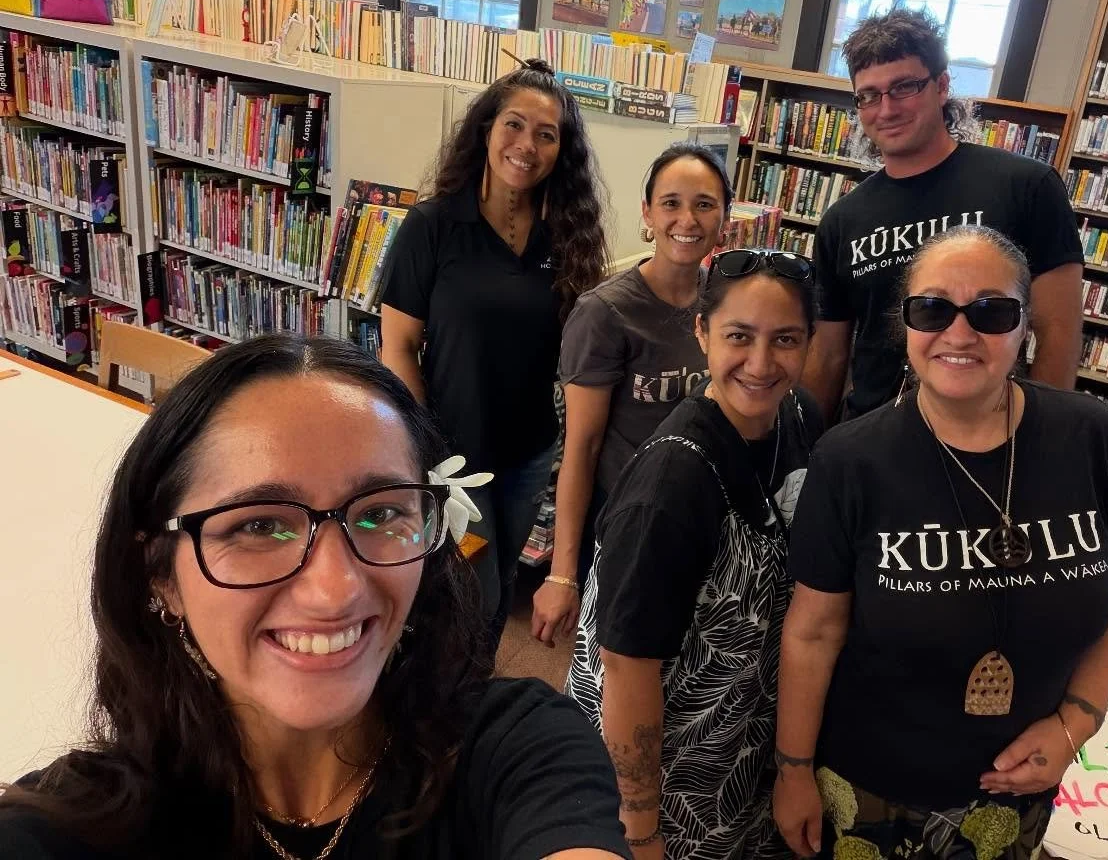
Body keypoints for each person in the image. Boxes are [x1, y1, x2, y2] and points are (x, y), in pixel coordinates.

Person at [0, 335, 629, 860]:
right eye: (258, 525)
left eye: (381, 513)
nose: (335, 589)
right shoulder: (75, 825)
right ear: (162, 577)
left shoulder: (517, 749)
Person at [774, 226, 1108, 860]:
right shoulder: (850, 460)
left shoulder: (1090, 436)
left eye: (991, 311)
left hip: (1021, 787)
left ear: (1025, 325)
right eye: (933, 308)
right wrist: (792, 771)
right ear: (905, 324)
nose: (960, 331)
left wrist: (1075, 725)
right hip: (870, 787)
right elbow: (813, 632)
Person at [567, 250, 825, 859]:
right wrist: (642, 830)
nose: (761, 364)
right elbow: (626, 667)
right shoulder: (672, 484)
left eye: (785, 339)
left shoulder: (798, 417)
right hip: (665, 777)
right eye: (739, 336)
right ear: (702, 332)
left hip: (738, 747)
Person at [380, 61, 608, 636]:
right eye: (514, 125)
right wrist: (422, 448)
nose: (526, 146)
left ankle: (473, 699)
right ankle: (451, 707)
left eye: (546, 134)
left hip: (528, 458)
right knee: (470, 591)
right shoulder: (433, 227)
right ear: (486, 129)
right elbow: (399, 347)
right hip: (455, 459)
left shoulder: (569, 238)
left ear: (562, 151)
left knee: (502, 581)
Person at [802, 8, 1083, 422]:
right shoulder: (843, 220)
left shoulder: (1025, 186)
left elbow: (1058, 330)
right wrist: (806, 455)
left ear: (942, 86)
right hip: (871, 440)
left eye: (904, 87)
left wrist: (1038, 436)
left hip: (988, 433)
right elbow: (828, 355)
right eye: (869, 95)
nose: (886, 109)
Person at [532, 143, 731, 646]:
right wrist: (561, 574)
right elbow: (582, 447)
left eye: (704, 204)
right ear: (647, 212)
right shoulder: (605, 313)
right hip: (626, 525)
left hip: (700, 516)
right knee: (614, 678)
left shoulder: (726, 301)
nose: (687, 218)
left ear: (724, 216)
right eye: (671, 203)